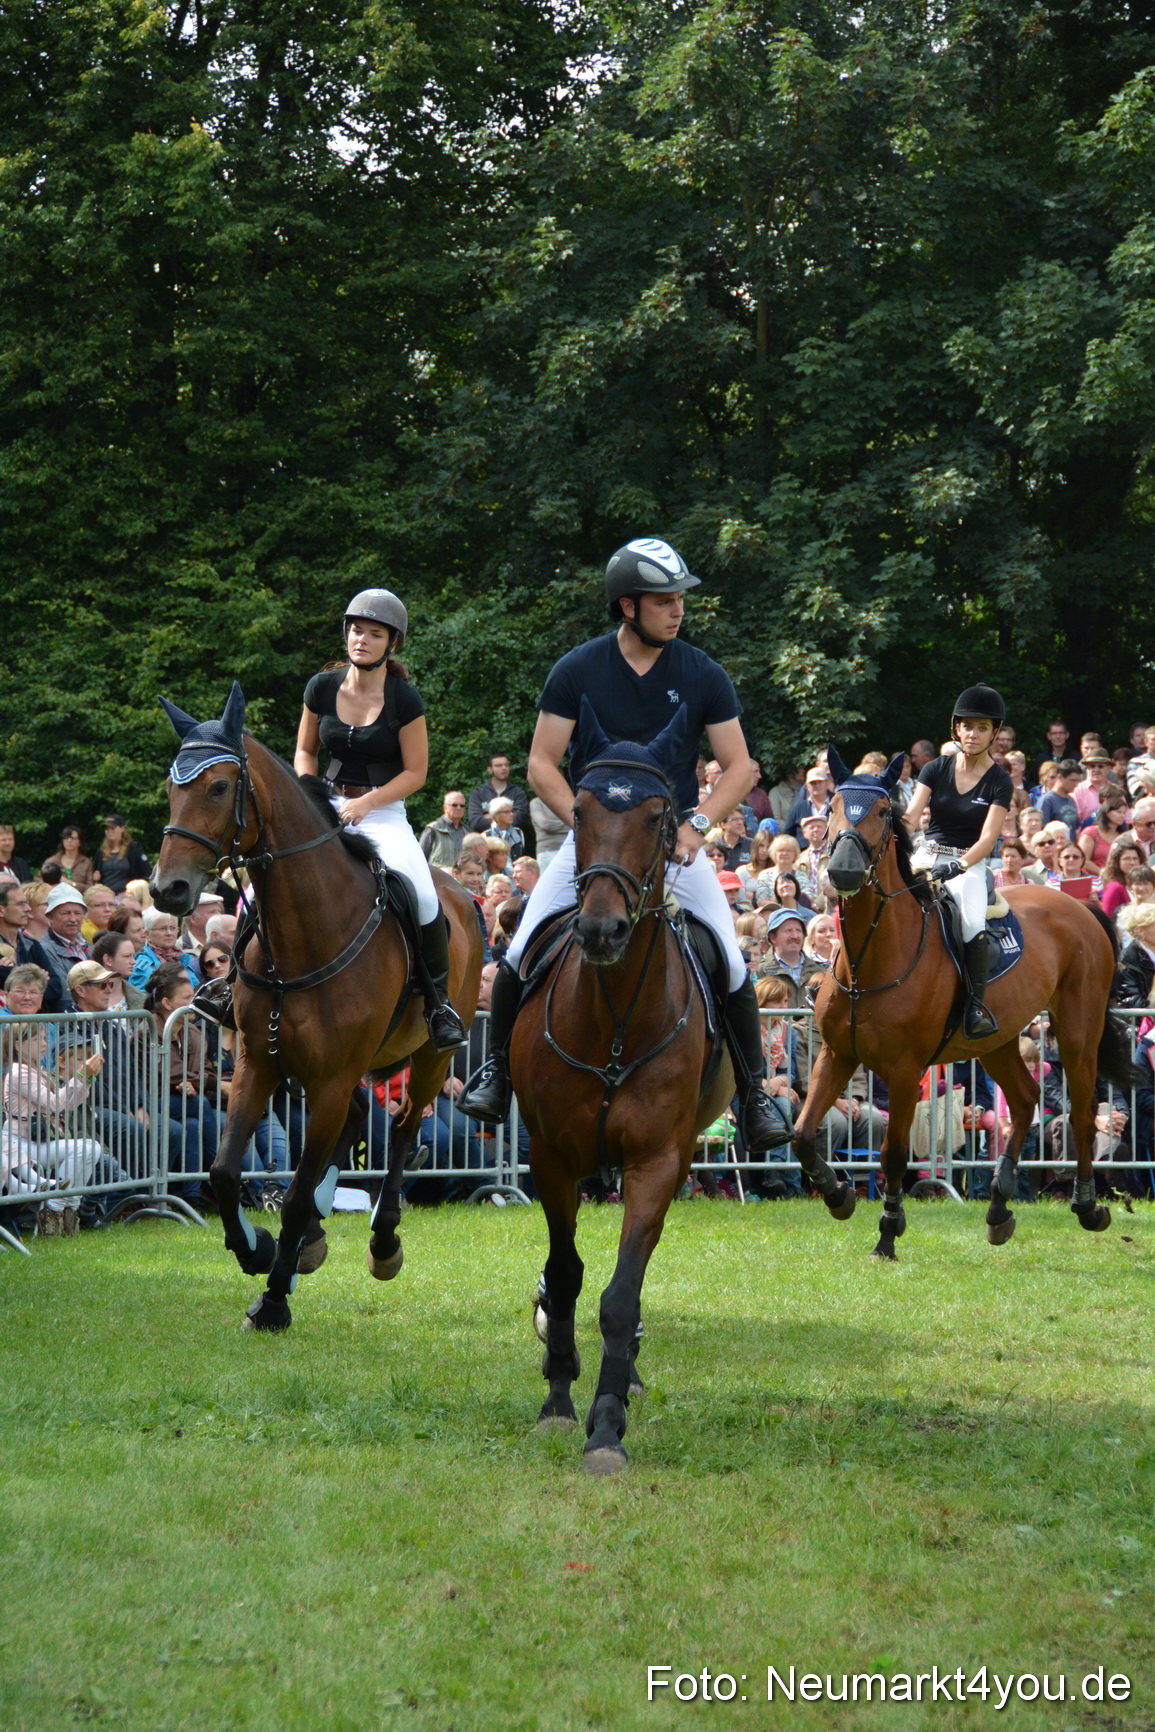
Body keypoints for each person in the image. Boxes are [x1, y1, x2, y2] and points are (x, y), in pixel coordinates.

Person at [458, 535, 784, 1152]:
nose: (678, 610)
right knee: (522, 948)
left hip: (672, 845)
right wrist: (584, 826)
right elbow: (541, 764)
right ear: (628, 606)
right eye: (664, 600)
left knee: (735, 962)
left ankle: (755, 1094)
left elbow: (739, 768)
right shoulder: (578, 668)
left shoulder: (701, 672)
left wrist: (699, 828)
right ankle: (498, 1072)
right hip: (597, 848)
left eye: (680, 599)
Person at [293, 587, 465, 1050]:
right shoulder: (321, 687)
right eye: (355, 629)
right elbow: (306, 752)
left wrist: (368, 803)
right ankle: (232, 984)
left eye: (373, 633)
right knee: (261, 880)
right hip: (323, 805)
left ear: (392, 644)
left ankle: (438, 1003)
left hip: (383, 812)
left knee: (423, 894)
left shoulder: (405, 699)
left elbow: (417, 772)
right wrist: (310, 798)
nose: (361, 639)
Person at [901, 683, 1012, 1038]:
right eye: (967, 725)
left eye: (982, 727)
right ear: (956, 727)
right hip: (927, 853)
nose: (973, 733)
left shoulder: (1000, 781)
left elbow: (989, 838)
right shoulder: (935, 768)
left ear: (994, 732)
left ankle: (975, 1007)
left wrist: (960, 865)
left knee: (970, 920)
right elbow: (911, 815)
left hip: (968, 862)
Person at [0, 884, 68, 1010]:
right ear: (1, 910)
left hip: (37, 1026)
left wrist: (9, 975)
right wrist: (38, 978)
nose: (28, 909)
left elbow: (56, 988)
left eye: (27, 903)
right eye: (20, 904)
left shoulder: (32, 944)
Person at [467, 752, 529, 834]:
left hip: (513, 841)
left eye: (506, 765)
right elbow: (475, 821)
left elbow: (520, 818)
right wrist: (506, 818)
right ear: (490, 769)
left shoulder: (517, 792)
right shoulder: (478, 793)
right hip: (485, 842)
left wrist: (491, 816)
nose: (504, 768)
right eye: (499, 765)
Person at [90, 816, 150, 893]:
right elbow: (95, 873)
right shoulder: (101, 851)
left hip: (128, 895)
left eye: (113, 828)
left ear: (122, 828)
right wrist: (94, 877)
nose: (109, 831)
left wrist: (137, 890)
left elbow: (147, 873)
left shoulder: (134, 849)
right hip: (105, 895)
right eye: (107, 829)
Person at [92, 929, 147, 1009]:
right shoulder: (87, 996)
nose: (133, 962)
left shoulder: (140, 997)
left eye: (133, 956)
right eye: (127, 956)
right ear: (107, 959)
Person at [1098, 841, 1146, 919]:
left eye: (1135, 858)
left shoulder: (1144, 885)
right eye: (1127, 859)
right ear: (1118, 862)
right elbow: (1107, 918)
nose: (1132, 862)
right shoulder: (1114, 887)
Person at [418, 791, 468, 868]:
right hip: (438, 878)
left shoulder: (467, 832)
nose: (459, 808)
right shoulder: (432, 829)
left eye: (462, 805)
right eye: (454, 805)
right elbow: (420, 857)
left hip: (462, 878)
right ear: (445, 807)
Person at [41, 825, 93, 890]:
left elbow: (91, 888)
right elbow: (39, 882)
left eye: (73, 838)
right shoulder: (51, 862)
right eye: (66, 838)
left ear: (80, 842)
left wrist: (71, 883)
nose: (69, 841)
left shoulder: (86, 863)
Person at [483, 796, 526, 863]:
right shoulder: (486, 836)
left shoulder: (518, 833)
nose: (511, 814)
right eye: (507, 812)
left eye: (512, 811)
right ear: (496, 816)